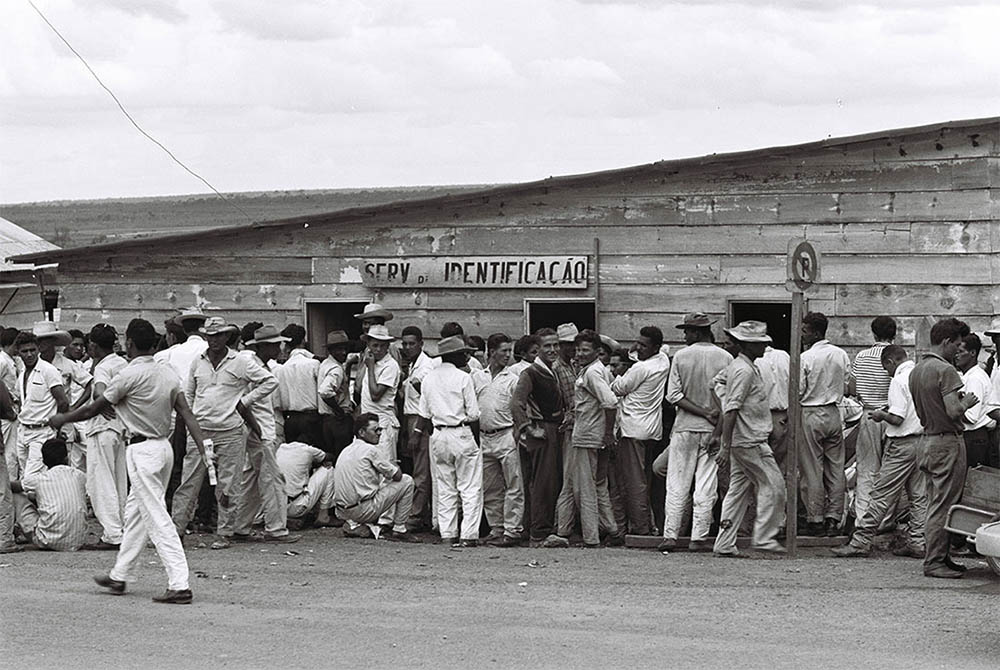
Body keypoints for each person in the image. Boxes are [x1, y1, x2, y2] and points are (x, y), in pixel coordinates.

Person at [51, 318, 212, 603]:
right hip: (163, 448)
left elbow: (95, 409)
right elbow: (187, 413)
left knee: (156, 517)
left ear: (130, 344)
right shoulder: (168, 373)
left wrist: (63, 418)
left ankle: (179, 583)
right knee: (137, 514)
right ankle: (120, 574)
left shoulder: (128, 376)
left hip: (142, 450)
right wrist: (202, 447)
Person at [170, 317, 278, 549]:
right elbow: (189, 394)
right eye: (210, 335)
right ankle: (177, 531)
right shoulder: (198, 362)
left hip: (230, 431)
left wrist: (244, 401)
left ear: (226, 337)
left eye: (218, 335)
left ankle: (224, 533)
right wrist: (191, 422)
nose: (214, 340)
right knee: (189, 483)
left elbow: (269, 381)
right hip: (201, 430)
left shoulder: (239, 361)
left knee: (229, 485)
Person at [832, 345, 927, 559]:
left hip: (902, 443)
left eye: (886, 368)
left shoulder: (899, 381)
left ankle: (861, 540)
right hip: (921, 441)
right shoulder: (920, 375)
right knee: (919, 496)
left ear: (891, 362)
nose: (886, 372)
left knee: (881, 493)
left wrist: (880, 416)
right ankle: (918, 541)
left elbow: (898, 417)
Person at [908, 318, 978, 579]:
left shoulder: (918, 369)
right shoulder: (945, 370)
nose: (959, 350)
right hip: (947, 442)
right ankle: (935, 562)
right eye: (957, 345)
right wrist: (967, 402)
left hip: (926, 440)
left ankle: (940, 557)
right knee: (944, 505)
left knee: (933, 503)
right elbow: (953, 410)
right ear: (946, 342)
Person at [712, 321, 786, 557]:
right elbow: (731, 409)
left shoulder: (742, 366)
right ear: (747, 345)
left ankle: (724, 542)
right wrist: (724, 445)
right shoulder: (743, 370)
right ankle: (764, 537)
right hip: (749, 440)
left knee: (737, 491)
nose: (764, 347)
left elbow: (717, 384)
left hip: (744, 438)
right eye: (759, 344)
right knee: (774, 486)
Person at [660, 313, 732, 552]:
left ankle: (670, 535)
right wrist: (717, 428)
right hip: (713, 429)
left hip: (685, 427)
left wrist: (701, 412)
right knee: (706, 484)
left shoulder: (681, 356)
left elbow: (674, 396)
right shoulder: (726, 357)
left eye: (688, 331)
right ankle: (698, 537)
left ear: (697, 332)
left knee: (677, 483)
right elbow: (728, 402)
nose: (685, 335)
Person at [544, 330, 620, 548]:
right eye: (578, 349)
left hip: (589, 436)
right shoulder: (593, 370)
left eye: (585, 350)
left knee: (585, 488)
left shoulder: (592, 373)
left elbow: (610, 402)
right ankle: (571, 529)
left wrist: (606, 433)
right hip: (587, 433)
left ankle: (591, 537)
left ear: (597, 351)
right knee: (589, 484)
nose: (580, 353)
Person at [232, 324, 299, 545]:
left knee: (251, 479)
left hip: (257, 428)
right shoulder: (254, 368)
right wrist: (257, 428)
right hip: (260, 430)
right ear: (265, 347)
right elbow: (244, 403)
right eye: (276, 344)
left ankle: (240, 526)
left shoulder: (259, 365)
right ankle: (276, 528)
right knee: (272, 478)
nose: (280, 348)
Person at [412, 335, 482, 546]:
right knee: (469, 488)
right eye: (465, 354)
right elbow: (474, 414)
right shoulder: (463, 378)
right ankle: (468, 536)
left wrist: (417, 434)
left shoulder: (429, 378)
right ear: (457, 355)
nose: (468, 357)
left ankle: (448, 533)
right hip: (460, 431)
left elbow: (423, 414)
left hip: (439, 434)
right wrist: (476, 442)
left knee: (445, 487)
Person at [610, 326, 670, 537]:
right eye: (638, 343)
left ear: (655, 347)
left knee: (634, 482)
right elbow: (641, 353)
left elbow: (618, 388)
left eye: (644, 345)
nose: (639, 348)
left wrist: (617, 374)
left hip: (633, 428)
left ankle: (641, 528)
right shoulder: (663, 361)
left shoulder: (640, 369)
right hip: (651, 429)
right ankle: (649, 524)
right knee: (645, 479)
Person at [799, 311, 851, 537]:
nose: (802, 335)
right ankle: (834, 516)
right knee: (836, 468)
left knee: (812, 468)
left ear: (816, 332)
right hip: (834, 411)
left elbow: (799, 389)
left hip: (811, 411)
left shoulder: (805, 358)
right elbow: (848, 382)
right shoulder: (840, 354)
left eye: (805, 331)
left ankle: (815, 518)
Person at [512, 328, 565, 545]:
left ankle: (534, 528)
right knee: (543, 483)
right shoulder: (531, 372)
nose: (553, 350)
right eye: (547, 346)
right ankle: (538, 532)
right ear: (538, 350)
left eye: (555, 345)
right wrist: (528, 427)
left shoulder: (552, 370)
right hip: (542, 431)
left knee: (549, 482)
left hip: (552, 429)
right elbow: (516, 403)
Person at [472, 333, 525, 547]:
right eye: (503, 351)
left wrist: (518, 432)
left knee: (514, 484)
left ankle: (512, 530)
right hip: (484, 436)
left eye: (509, 351)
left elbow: (521, 407)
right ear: (491, 352)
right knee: (490, 486)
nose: (507, 355)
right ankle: (497, 528)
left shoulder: (513, 378)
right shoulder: (477, 377)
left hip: (506, 434)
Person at [334, 413, 418, 542]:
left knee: (378, 483)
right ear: (361, 432)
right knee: (407, 481)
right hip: (362, 509)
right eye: (375, 430)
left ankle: (355, 525)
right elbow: (397, 476)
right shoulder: (371, 450)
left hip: (342, 511)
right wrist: (394, 463)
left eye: (380, 429)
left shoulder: (346, 449)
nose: (379, 433)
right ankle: (399, 529)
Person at [82, 323, 128, 549]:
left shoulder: (102, 366)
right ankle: (120, 528)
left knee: (101, 482)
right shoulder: (123, 362)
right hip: (120, 428)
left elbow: (100, 391)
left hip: (102, 427)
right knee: (119, 481)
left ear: (93, 345)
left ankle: (112, 534)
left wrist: (103, 403)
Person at [849, 316, 896, 521]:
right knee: (890, 470)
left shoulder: (862, 356)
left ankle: (862, 518)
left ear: (874, 333)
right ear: (894, 334)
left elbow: (852, 388)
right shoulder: (897, 356)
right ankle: (885, 519)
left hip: (868, 414)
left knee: (867, 468)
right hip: (893, 416)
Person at [10, 438, 88, 551]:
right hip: (78, 540)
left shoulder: (39, 479)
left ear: (44, 462)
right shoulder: (79, 476)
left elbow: (12, 487)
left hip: (46, 540)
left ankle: (8, 532)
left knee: (17, 496)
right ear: (67, 457)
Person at [35, 321, 93, 472]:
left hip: (62, 422)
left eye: (44, 340)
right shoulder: (32, 364)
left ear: (53, 342)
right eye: (38, 340)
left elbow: (89, 383)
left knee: (62, 464)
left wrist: (74, 408)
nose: (40, 344)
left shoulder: (67, 364)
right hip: (38, 422)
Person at [14, 331, 69, 488]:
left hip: (42, 431)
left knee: (31, 480)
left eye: (33, 350)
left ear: (38, 349)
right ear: (18, 352)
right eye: (25, 351)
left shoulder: (48, 370)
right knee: (24, 475)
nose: (29, 354)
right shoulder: (23, 374)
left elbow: (63, 402)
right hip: (23, 430)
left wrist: (56, 429)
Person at [397, 326, 435, 531]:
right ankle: (423, 513)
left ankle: (416, 515)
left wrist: (418, 430)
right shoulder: (412, 365)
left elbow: (427, 401)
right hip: (409, 418)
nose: (408, 347)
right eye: (405, 344)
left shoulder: (426, 367)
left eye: (412, 343)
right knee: (415, 466)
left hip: (421, 420)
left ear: (421, 344)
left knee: (421, 470)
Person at [357, 324, 401, 462]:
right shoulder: (371, 361)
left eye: (383, 346)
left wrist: (370, 368)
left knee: (384, 466)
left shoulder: (390, 366)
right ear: (368, 344)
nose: (378, 349)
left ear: (388, 346)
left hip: (382, 424)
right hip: (367, 422)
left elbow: (375, 395)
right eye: (375, 345)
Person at [954, 334, 996, 469]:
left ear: (972, 353)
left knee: (972, 482)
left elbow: (971, 417)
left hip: (974, 438)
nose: (956, 355)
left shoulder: (975, 379)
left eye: (961, 352)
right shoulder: (969, 376)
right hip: (972, 438)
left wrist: (954, 404)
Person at [277, 324, 322, 447]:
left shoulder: (283, 368)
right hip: (311, 418)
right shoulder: (314, 364)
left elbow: (283, 400)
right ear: (303, 341)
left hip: (290, 419)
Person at [276, 440, 335, 527]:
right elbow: (329, 457)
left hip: (275, 508)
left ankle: (285, 520)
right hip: (296, 507)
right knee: (328, 470)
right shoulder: (308, 450)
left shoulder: (279, 449)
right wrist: (319, 461)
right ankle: (323, 516)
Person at [318, 330, 354, 462]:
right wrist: (339, 411)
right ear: (331, 350)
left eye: (345, 348)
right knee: (343, 459)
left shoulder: (326, 364)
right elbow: (325, 392)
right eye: (339, 349)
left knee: (333, 459)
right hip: (337, 421)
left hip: (327, 421)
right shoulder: (336, 369)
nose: (343, 352)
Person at [756, 344, 790, 469]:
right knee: (779, 457)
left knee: (759, 455)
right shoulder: (784, 356)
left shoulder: (753, 360)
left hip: (759, 413)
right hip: (781, 414)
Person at [1, 327, 21, 480]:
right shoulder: (2, 361)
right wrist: (9, 410)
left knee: (14, 452)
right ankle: (10, 484)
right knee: (10, 452)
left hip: (13, 410)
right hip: (7, 413)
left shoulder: (11, 360)